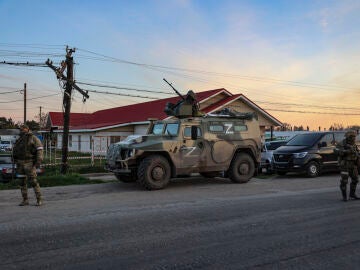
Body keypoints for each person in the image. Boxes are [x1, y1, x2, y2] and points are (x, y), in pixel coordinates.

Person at [12, 124, 44, 206]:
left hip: (29, 162)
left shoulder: (33, 138)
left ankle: (39, 199)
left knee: (33, 181)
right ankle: (25, 200)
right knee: (22, 182)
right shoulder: (20, 139)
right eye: (20, 129)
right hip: (20, 163)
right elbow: (15, 150)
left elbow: (39, 150)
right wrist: (14, 159)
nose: (21, 130)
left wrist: (38, 161)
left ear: (27, 129)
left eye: (23, 129)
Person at [335, 130, 360, 201]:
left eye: (354, 137)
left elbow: (357, 152)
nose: (354, 138)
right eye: (353, 137)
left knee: (355, 179)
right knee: (344, 181)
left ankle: (352, 194)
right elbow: (335, 151)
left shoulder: (354, 144)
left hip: (353, 165)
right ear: (349, 137)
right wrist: (346, 151)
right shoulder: (342, 143)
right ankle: (344, 196)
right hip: (345, 165)